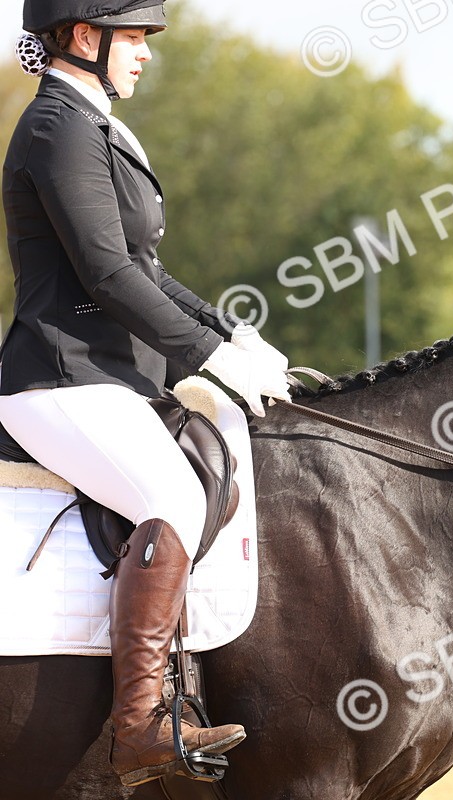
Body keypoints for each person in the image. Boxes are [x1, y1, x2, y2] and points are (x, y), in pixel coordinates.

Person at [0, 0, 291, 787]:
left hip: (115, 378)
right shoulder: (57, 127)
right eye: (132, 36)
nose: (145, 53)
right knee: (173, 497)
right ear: (83, 35)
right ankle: (140, 727)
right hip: (61, 377)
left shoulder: (94, 125)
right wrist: (207, 355)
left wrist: (232, 337)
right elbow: (108, 275)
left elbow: (151, 273)